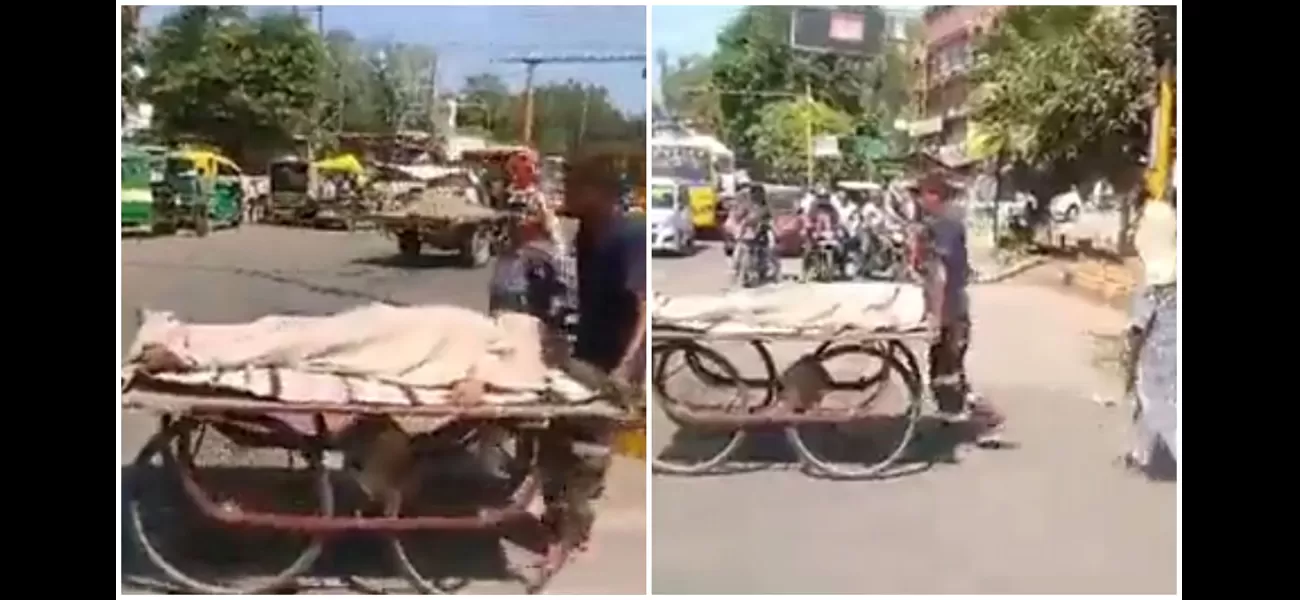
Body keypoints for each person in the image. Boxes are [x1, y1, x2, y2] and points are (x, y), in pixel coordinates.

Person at [909, 171, 1006, 446]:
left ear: (934, 196)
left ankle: (986, 419)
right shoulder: (938, 223)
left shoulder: (944, 226)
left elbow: (940, 275)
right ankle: (951, 423)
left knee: (950, 370)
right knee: (941, 370)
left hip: (950, 309)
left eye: (922, 194)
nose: (918, 200)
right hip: (949, 306)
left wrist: (936, 318)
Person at [1120, 195, 1177, 476]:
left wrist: (1129, 355)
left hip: (1159, 354)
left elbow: (1139, 325)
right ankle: (1141, 452)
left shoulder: (1155, 277)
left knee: (1158, 403)